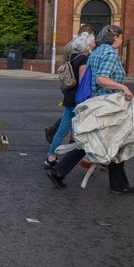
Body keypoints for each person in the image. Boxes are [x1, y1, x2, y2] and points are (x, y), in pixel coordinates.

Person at [47, 25, 134, 195]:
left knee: (94, 141)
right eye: (120, 36)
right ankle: (118, 185)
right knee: (116, 141)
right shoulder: (110, 53)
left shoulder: (96, 52)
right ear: (115, 37)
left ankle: (58, 171)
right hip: (108, 105)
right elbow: (101, 78)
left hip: (96, 102)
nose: (121, 40)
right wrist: (123, 87)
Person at [44, 32, 95, 168]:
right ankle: (88, 159)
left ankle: (50, 157)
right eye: (92, 43)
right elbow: (83, 82)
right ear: (86, 46)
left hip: (69, 97)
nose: (93, 45)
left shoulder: (73, 57)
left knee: (62, 130)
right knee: (85, 131)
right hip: (78, 100)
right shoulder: (84, 59)